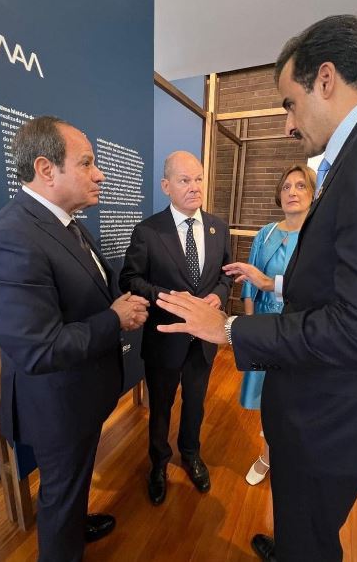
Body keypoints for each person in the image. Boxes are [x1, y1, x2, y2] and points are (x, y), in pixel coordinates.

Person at [155, 15, 357, 562]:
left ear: (326, 79)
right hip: (318, 403)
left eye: (290, 103)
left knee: (310, 540)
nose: (289, 125)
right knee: (299, 526)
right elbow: (339, 284)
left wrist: (228, 328)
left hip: (334, 417)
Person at [0, 116, 149, 561]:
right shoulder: (9, 240)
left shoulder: (68, 224)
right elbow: (40, 348)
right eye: (86, 163)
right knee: (61, 495)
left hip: (80, 396)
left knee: (74, 485)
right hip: (57, 406)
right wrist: (115, 319)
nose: (99, 174)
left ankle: (74, 524)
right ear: (46, 169)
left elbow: (91, 292)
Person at [119, 151, 232, 506]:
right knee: (161, 406)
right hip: (164, 340)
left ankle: (191, 454)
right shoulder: (148, 231)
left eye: (198, 179)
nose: (195, 187)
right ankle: (158, 463)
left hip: (203, 341)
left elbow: (226, 276)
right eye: (185, 180)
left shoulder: (218, 228)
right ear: (166, 186)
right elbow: (130, 279)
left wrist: (218, 295)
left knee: (195, 402)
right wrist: (165, 297)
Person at [240, 165, 315, 486]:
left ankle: (295, 457)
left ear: (314, 193)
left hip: (301, 328)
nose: (292, 192)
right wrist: (249, 326)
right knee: (268, 397)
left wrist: (271, 284)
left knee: (298, 397)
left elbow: (315, 288)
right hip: (266, 325)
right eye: (286, 187)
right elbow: (249, 281)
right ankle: (268, 455)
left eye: (300, 186)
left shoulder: (319, 237)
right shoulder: (266, 233)